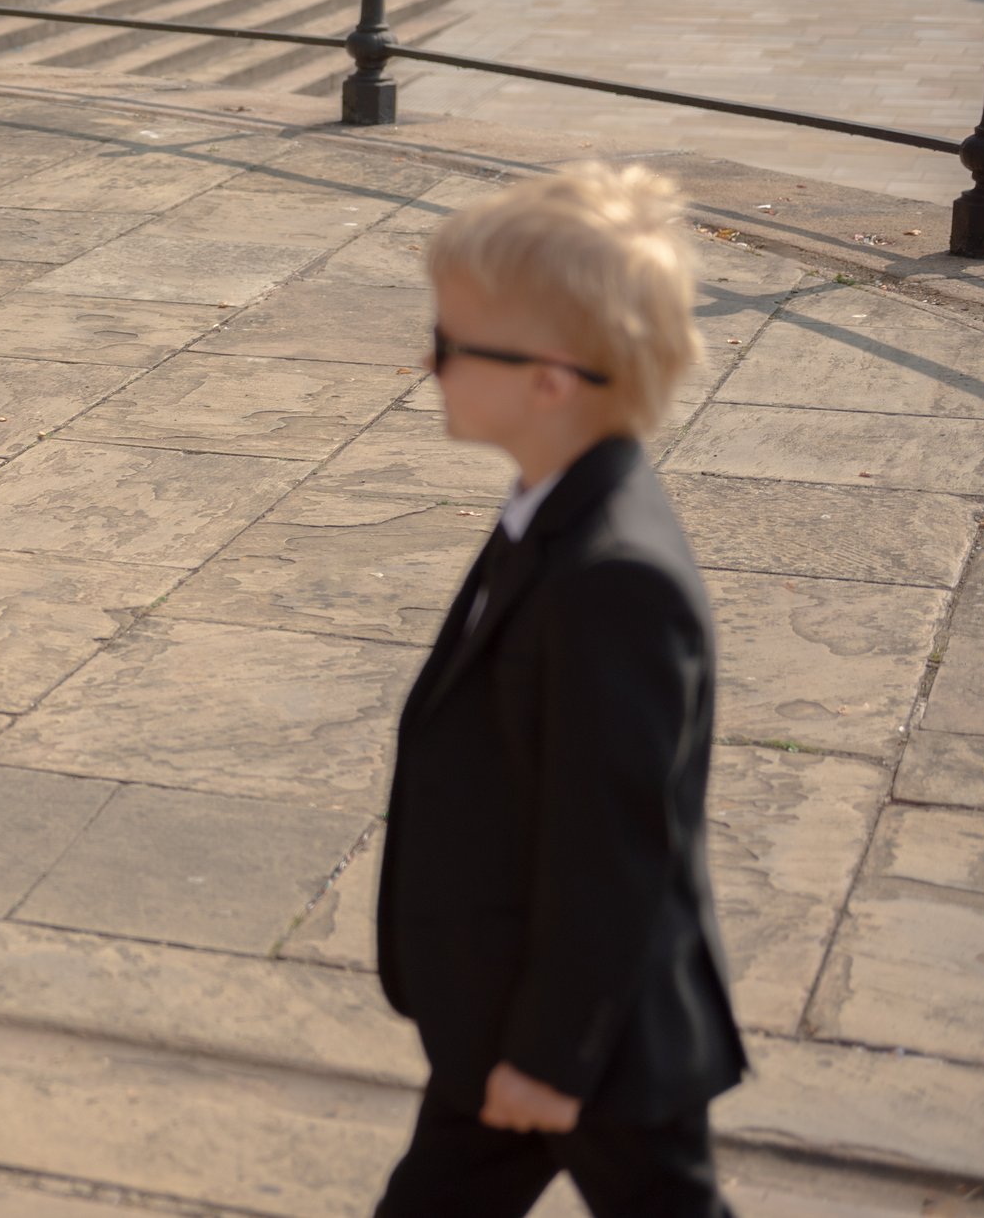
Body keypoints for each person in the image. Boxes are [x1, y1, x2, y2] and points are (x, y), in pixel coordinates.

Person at [374, 164, 748, 1217]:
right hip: (513, 1002)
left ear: (548, 376)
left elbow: (614, 849)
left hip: (592, 1041)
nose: (425, 361)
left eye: (448, 344)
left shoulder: (613, 580)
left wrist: (549, 1055)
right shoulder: (554, 507)